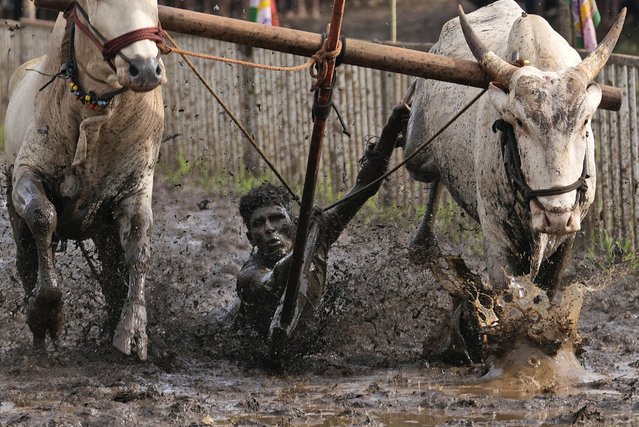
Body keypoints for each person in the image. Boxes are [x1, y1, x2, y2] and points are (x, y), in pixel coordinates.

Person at [236, 103, 409, 360]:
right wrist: (309, 244)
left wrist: (390, 130)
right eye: (259, 224)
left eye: (276, 219)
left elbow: (363, 188)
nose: (270, 229)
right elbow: (272, 280)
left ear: (294, 222)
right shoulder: (249, 275)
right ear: (251, 238)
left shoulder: (317, 234)